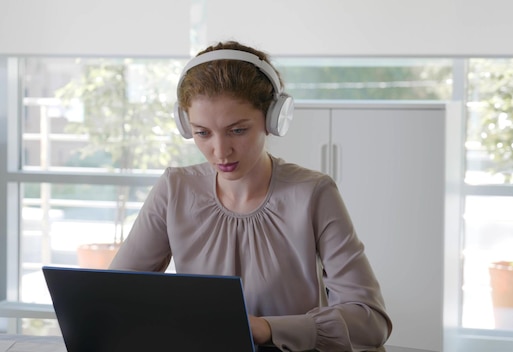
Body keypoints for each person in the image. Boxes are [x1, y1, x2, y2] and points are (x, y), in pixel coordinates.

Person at [109, 40, 393, 351]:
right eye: (203, 132)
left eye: (238, 130)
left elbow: (371, 322)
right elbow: (113, 297)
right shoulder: (174, 189)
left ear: (274, 119)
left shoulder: (313, 193)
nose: (220, 151)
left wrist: (267, 328)